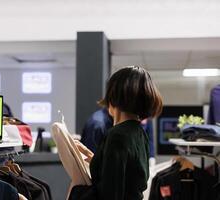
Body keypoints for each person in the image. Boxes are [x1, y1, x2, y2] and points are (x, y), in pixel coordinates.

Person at [70, 66, 163, 200]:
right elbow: (127, 175)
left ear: (113, 96)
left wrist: (77, 192)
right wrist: (95, 159)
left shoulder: (117, 135)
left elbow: (110, 192)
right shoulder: (138, 132)